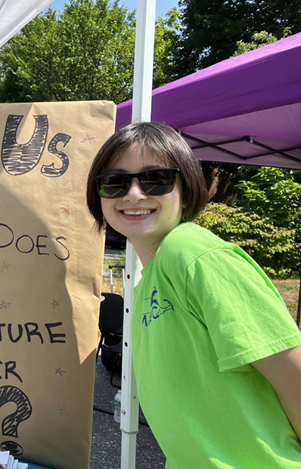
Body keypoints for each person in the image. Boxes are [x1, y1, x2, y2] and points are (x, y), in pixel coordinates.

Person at [86, 121, 301, 468]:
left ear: (186, 186)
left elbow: (293, 376)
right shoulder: (149, 279)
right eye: (115, 182)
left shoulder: (190, 252)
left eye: (156, 178)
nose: (134, 194)